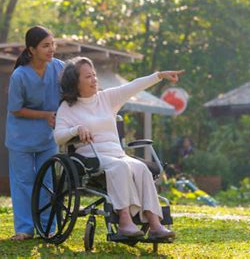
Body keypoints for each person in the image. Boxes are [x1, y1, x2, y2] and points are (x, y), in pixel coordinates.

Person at [54, 57, 183, 239]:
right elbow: (58, 136)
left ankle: (154, 224)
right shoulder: (68, 108)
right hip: (90, 157)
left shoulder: (106, 98)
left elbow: (133, 86)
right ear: (75, 82)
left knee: (141, 168)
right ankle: (124, 221)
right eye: (88, 76)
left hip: (116, 154)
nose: (94, 79)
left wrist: (159, 75)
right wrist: (76, 129)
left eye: (94, 75)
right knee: (120, 167)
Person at [5, 26, 64, 240]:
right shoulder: (19, 76)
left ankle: (47, 227)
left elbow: (73, 87)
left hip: (47, 137)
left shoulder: (59, 68)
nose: (51, 49)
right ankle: (24, 228)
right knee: (23, 182)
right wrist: (45, 115)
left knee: (47, 182)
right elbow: (15, 109)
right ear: (31, 49)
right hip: (20, 137)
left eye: (53, 44)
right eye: (45, 46)